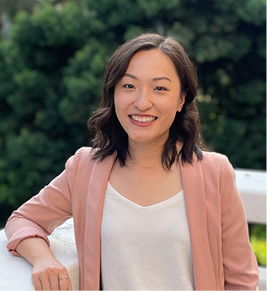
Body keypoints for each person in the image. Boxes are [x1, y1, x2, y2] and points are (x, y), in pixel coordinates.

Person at [5, 33, 258, 291]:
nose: (141, 102)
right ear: (113, 92)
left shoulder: (215, 174)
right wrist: (43, 259)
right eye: (128, 86)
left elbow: (242, 281)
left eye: (160, 88)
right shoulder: (85, 169)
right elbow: (22, 220)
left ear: (181, 99)